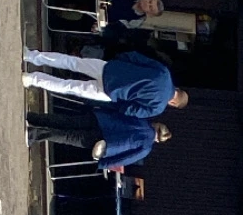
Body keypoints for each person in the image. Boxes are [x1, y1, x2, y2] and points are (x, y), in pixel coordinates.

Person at [23, 46, 188, 119]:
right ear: (173, 103)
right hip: (112, 92)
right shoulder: (158, 108)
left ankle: (31, 56)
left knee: (72, 62)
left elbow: (138, 58)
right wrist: (118, 103)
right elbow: (132, 110)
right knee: (69, 86)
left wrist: (119, 60)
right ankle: (32, 79)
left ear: (178, 89)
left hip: (112, 69)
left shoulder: (164, 73)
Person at [25, 108, 170, 173]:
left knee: (67, 121)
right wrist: (104, 163)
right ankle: (34, 133)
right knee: (67, 137)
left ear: (157, 125)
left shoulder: (143, 120)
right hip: (104, 143)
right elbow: (125, 159)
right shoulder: (146, 148)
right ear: (158, 139)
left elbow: (123, 112)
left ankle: (33, 117)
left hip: (102, 120)